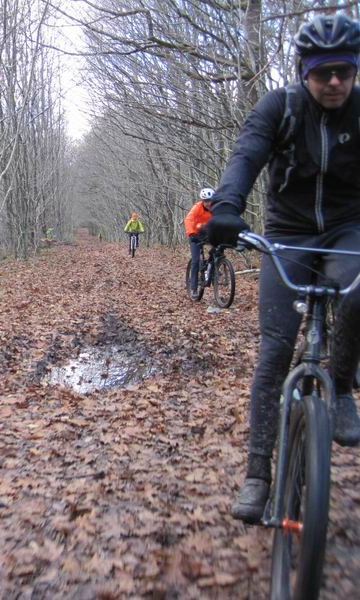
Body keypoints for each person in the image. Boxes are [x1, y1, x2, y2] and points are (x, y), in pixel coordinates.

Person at [204, 13, 360, 524]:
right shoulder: (280, 108)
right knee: (274, 351)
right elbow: (247, 154)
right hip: (289, 234)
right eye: (323, 72)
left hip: (347, 231)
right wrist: (227, 207)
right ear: (303, 71)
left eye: (345, 71)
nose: (334, 82)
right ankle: (258, 474)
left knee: (357, 292)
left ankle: (339, 386)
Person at [184, 188, 215, 294]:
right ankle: (193, 288)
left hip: (208, 233)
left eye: (210, 200)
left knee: (219, 247)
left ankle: (215, 264)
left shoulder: (216, 208)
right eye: (206, 201)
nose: (208, 203)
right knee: (195, 261)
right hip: (195, 234)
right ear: (202, 200)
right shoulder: (197, 207)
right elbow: (188, 219)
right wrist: (191, 233)